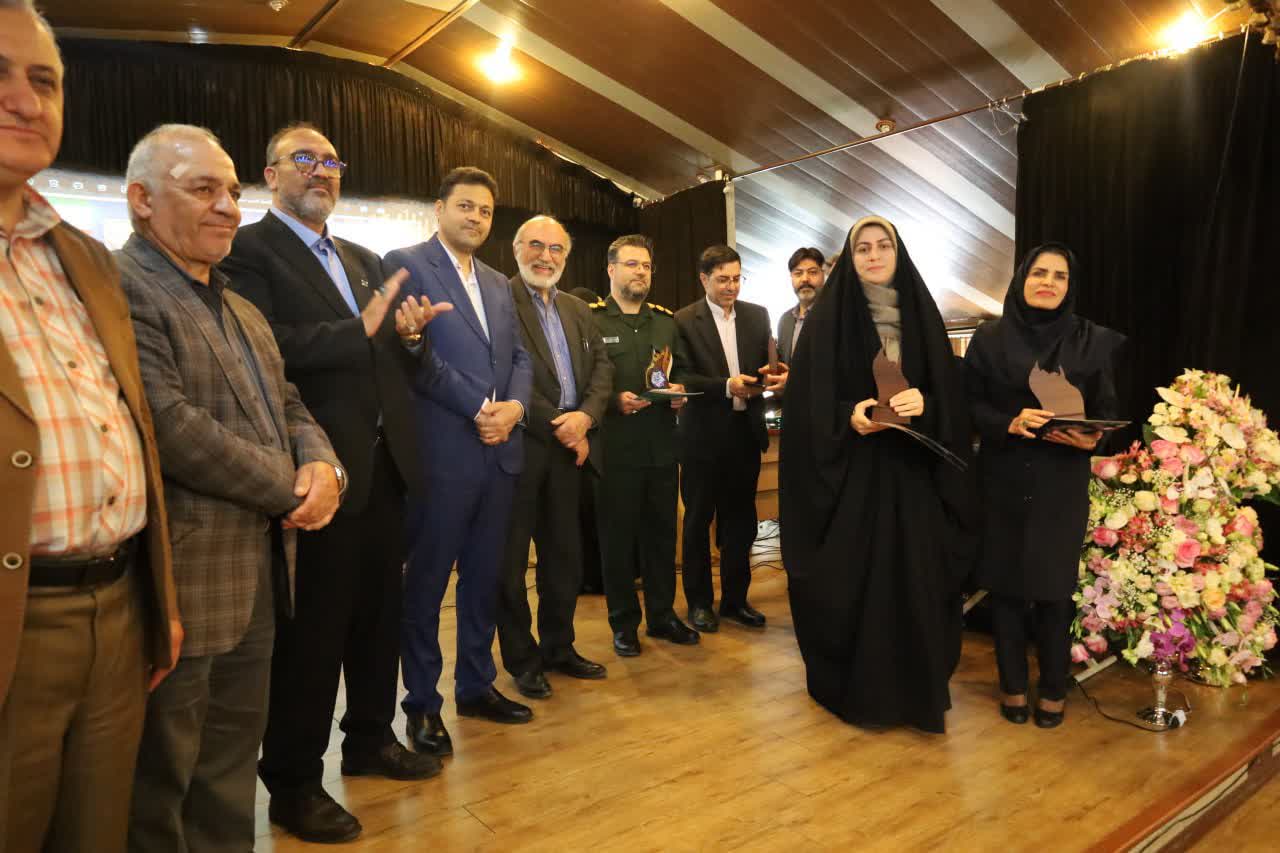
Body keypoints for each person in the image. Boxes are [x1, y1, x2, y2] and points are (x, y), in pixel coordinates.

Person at [117, 124, 343, 852]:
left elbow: (289, 403)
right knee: (162, 786)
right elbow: (172, 425)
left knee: (229, 775)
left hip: (258, 579)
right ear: (142, 199)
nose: (227, 207)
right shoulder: (122, 287)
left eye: (232, 192)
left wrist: (325, 468)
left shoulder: (240, 305)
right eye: (203, 189)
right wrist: (292, 489)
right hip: (179, 582)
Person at [222, 122, 445, 843]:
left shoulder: (361, 257)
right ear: (270, 173)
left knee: (378, 621)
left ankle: (370, 740)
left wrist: (407, 335)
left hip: (384, 469)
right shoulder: (248, 252)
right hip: (316, 472)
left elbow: (386, 357)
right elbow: (265, 348)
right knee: (313, 637)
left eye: (331, 162)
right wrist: (363, 329)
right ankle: (293, 782)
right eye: (304, 159)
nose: (321, 171)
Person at [0, 5, 181, 850]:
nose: (25, 100)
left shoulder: (81, 256)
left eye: (44, 80)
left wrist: (156, 600)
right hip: (17, 625)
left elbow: (131, 428)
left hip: (118, 614)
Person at [779, 216, 973, 734]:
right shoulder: (826, 321)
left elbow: (951, 397)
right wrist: (849, 414)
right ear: (850, 256)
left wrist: (926, 404)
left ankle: (916, 690)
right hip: (855, 481)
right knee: (859, 583)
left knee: (916, 582)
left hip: (914, 477)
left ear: (898, 252)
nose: (872, 255)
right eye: (862, 248)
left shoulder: (923, 317)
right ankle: (860, 690)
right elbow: (805, 404)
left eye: (882, 245)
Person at [386, 167, 535, 753]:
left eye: (485, 210)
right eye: (466, 206)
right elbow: (412, 353)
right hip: (442, 455)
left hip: (500, 454)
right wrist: (479, 407)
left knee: (485, 580)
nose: (476, 217)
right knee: (425, 588)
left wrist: (515, 408)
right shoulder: (405, 263)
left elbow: (520, 355)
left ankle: (476, 684)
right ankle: (422, 704)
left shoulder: (498, 282)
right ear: (440, 207)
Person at [964, 243, 1123, 728]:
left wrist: (1092, 438)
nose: (1048, 282)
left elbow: (1108, 409)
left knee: (1055, 591)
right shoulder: (989, 338)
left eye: (1059, 276)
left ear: (1070, 287)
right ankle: (1012, 686)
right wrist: (1008, 422)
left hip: (1060, 481)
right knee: (1007, 590)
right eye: (1039, 273)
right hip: (1003, 477)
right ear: (1022, 279)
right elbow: (967, 404)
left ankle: (1053, 688)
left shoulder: (1090, 340)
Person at [496, 215, 613, 700]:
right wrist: (562, 423)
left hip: (570, 452)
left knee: (564, 558)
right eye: (537, 246)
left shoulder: (577, 307)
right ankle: (523, 660)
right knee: (509, 566)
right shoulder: (498, 300)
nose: (546, 257)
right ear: (516, 249)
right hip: (519, 449)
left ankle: (559, 648)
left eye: (556, 249)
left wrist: (585, 417)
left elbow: (602, 367)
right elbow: (503, 374)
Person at [592, 235, 700, 656]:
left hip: (661, 449)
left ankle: (662, 615)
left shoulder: (665, 322)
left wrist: (679, 390)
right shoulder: (592, 320)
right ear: (611, 269)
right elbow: (582, 382)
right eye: (632, 264)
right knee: (617, 543)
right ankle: (623, 624)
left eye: (646, 266)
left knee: (661, 538)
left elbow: (682, 372)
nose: (640, 272)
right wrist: (612, 402)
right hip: (615, 451)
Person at [672, 245, 783, 633]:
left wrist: (770, 377)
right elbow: (681, 377)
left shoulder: (757, 315)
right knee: (698, 522)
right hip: (702, 439)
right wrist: (726, 386)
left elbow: (768, 364)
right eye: (723, 280)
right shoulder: (684, 320)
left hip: (744, 434)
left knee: (741, 524)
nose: (731, 286)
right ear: (704, 279)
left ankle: (736, 601)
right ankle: (700, 604)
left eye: (737, 278)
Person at [569, 285, 606, 594]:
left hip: (594, 435)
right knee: (581, 519)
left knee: (592, 517)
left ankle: (590, 577)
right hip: (573, 437)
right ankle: (586, 577)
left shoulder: (593, 341)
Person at [777, 247, 826, 365]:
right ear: (791, 278)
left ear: (823, 275)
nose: (805, 279)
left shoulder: (837, 316)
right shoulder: (785, 320)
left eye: (812, 272)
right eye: (798, 273)